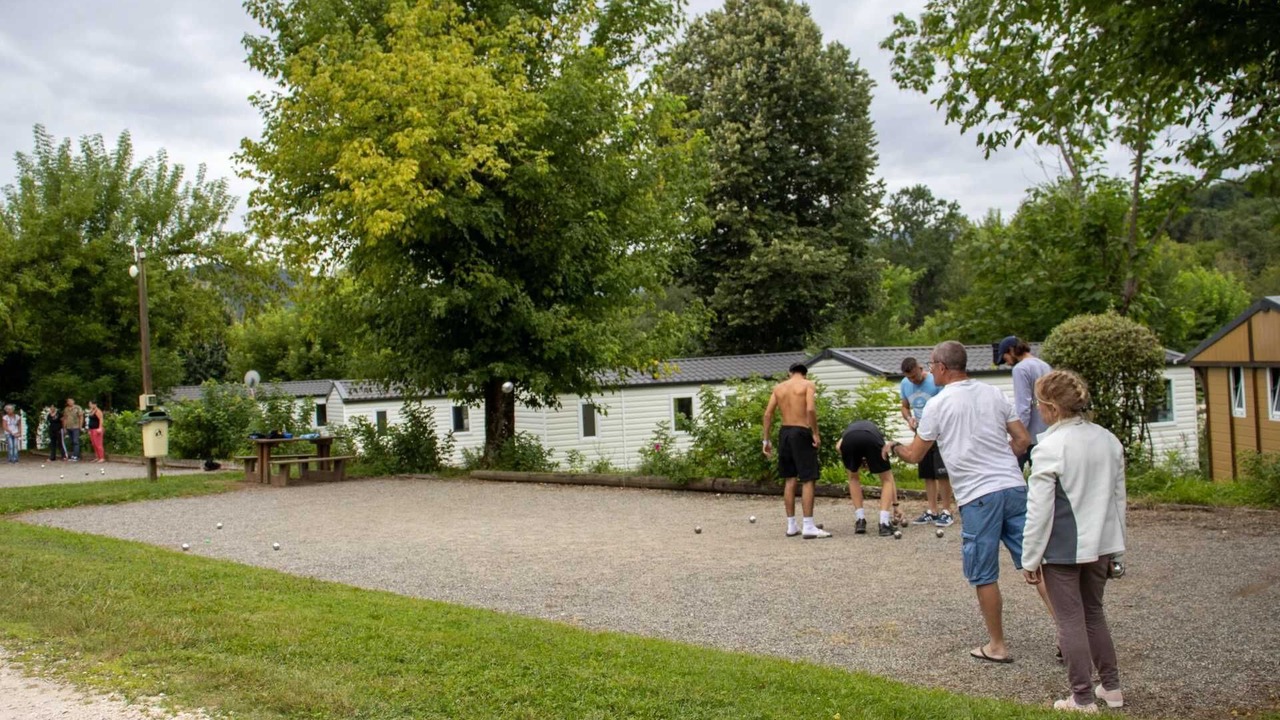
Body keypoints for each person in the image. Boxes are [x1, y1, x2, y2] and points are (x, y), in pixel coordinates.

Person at [888, 341, 1049, 663]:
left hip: (978, 496)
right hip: (1014, 487)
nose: (930, 370)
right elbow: (1022, 439)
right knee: (1035, 562)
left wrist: (892, 447)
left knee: (984, 573)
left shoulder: (937, 405)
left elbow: (915, 455)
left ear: (942, 367)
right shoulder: (994, 393)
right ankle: (1069, 636)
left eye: (931, 365)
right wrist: (1002, 458)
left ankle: (997, 645)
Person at [1021, 370, 1126, 712]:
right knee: (1094, 613)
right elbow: (1118, 500)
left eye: (1038, 403)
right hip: (1102, 545)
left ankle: (1081, 697)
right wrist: (1117, 550)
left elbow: (1039, 510)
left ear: (1051, 408)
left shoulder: (1049, 447)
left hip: (1063, 549)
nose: (1036, 409)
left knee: (1070, 620)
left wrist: (1029, 558)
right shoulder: (1109, 440)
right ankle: (1111, 687)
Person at [762, 363, 830, 539]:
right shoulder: (808, 384)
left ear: (789, 373)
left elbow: (768, 414)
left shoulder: (778, 388)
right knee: (808, 478)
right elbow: (810, 409)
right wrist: (815, 433)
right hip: (801, 432)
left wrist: (766, 440)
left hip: (784, 433)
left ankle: (791, 525)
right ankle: (808, 525)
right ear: (805, 374)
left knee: (790, 478)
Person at [899, 356, 954, 527]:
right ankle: (932, 510)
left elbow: (946, 405)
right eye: (909, 378)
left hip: (939, 432)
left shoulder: (934, 381)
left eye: (915, 376)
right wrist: (909, 419)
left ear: (920, 368)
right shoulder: (905, 384)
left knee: (942, 472)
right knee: (927, 472)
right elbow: (904, 406)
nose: (913, 380)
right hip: (921, 432)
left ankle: (947, 510)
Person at [835, 420, 899, 536]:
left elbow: (838, 447)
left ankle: (860, 520)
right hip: (871, 439)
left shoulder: (848, 431)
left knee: (853, 478)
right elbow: (890, 479)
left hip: (849, 441)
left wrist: (855, 463)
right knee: (887, 479)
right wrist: (896, 506)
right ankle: (884, 523)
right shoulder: (876, 432)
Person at [996, 336, 1052, 469]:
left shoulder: (1020, 369)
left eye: (1005, 357)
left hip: (1032, 436)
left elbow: (1023, 407)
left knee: (1016, 471)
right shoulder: (1045, 366)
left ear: (1011, 350)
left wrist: (1019, 437)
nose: (1007, 362)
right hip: (1049, 432)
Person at [62, 397, 84, 462]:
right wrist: (64, 427)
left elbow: (81, 417)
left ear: (73, 401)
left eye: (71, 401)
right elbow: (65, 418)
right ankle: (74, 454)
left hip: (76, 427)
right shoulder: (66, 409)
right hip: (68, 427)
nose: (69, 402)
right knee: (72, 441)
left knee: (75, 441)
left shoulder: (78, 408)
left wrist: (80, 426)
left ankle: (76, 456)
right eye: (68, 401)